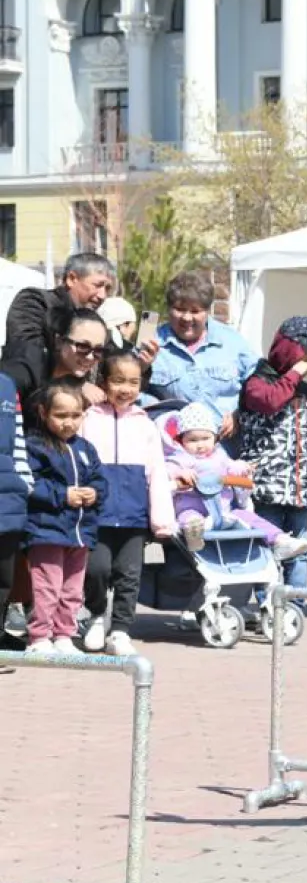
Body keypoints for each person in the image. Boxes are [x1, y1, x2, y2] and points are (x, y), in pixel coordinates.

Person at [80, 351, 177, 656]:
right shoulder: (88, 419)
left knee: (129, 574)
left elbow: (157, 472)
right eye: (118, 380)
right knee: (96, 569)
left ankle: (120, 629)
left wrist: (162, 520)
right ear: (104, 382)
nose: (126, 388)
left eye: (133, 382)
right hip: (97, 514)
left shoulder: (147, 425)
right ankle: (96, 615)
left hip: (134, 515)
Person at [238, 316, 307, 614]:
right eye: (304, 357)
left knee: (299, 549)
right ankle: (269, 604)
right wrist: (293, 373)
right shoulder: (258, 381)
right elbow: (270, 402)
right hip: (268, 485)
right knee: (268, 547)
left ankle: (296, 607)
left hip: (302, 486)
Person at [164, 401, 307, 561]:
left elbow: (232, 467)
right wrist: (180, 474)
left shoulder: (220, 457)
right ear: (181, 441)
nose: (200, 445)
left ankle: (280, 540)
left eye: (205, 438)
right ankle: (193, 535)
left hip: (223, 511)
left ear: (214, 438)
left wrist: (242, 468)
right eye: (192, 440)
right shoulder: (181, 458)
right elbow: (168, 471)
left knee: (248, 517)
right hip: (194, 508)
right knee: (188, 517)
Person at [24, 379, 108, 655]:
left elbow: (100, 479)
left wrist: (94, 493)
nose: (68, 423)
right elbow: (30, 483)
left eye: (75, 415)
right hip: (46, 530)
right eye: (60, 415)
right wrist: (62, 495)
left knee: (72, 589)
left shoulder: (86, 448)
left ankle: (64, 635)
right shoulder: (35, 445)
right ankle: (39, 637)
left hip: (79, 532)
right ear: (43, 413)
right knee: (47, 587)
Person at [149, 271, 260, 436]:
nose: (186, 318)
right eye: (179, 309)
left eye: (195, 311)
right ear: (168, 309)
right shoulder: (151, 343)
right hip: (173, 450)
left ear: (208, 311)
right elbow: (133, 392)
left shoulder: (233, 342)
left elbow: (259, 385)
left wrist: (241, 414)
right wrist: (162, 417)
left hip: (226, 449)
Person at [2, 252, 117, 403]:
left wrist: (142, 364)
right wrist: (74, 383)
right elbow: (29, 355)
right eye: (97, 285)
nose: (102, 295)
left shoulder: (95, 321)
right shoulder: (36, 302)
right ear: (71, 279)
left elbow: (113, 360)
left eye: (107, 289)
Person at [0, 366, 33, 668]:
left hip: (8, 496)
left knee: (4, 578)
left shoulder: (7, 386)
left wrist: (24, 482)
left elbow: (18, 441)